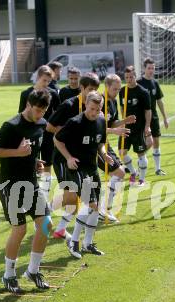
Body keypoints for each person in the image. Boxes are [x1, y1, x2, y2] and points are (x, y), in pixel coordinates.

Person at [0, 89, 53, 293]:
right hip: (10, 184)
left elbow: (31, 150)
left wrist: (35, 162)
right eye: (37, 110)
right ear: (28, 105)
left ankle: (33, 271)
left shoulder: (42, 124)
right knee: (20, 229)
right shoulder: (12, 126)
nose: (40, 115)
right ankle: (8, 275)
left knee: (46, 224)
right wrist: (17, 153)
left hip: (31, 182)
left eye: (43, 111)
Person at [54, 91, 114, 258]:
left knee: (96, 207)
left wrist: (104, 154)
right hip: (78, 168)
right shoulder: (75, 122)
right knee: (91, 205)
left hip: (92, 167)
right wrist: (68, 157)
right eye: (92, 108)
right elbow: (57, 140)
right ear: (86, 105)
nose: (95, 112)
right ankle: (74, 242)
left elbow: (100, 143)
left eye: (98, 108)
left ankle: (88, 243)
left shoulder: (101, 120)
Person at [47, 73, 100, 240]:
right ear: (82, 88)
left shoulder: (93, 106)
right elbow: (49, 127)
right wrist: (68, 132)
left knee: (74, 197)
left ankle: (60, 228)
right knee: (72, 195)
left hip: (80, 158)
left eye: (96, 89)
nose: (93, 92)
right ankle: (44, 211)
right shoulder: (68, 105)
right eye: (90, 89)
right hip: (63, 157)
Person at [18, 65, 60, 196]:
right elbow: (20, 114)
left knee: (47, 164)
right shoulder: (26, 94)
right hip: (31, 135)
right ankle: (32, 194)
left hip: (47, 134)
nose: (46, 84)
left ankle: (45, 196)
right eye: (44, 80)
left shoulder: (52, 93)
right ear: (38, 77)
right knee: (32, 164)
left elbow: (58, 114)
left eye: (49, 81)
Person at [99, 74, 135, 222]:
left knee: (119, 173)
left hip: (104, 142)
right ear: (106, 86)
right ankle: (102, 210)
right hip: (94, 145)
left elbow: (111, 123)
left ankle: (103, 209)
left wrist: (124, 121)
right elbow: (95, 128)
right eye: (114, 89)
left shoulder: (112, 102)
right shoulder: (99, 102)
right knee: (119, 172)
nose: (117, 92)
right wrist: (114, 131)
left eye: (119, 89)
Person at [119, 65, 152, 186]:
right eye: (126, 77)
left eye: (131, 77)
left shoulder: (143, 92)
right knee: (122, 152)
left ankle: (142, 180)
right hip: (126, 128)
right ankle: (133, 172)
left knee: (140, 154)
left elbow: (148, 111)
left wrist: (147, 126)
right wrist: (123, 121)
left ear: (135, 76)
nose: (129, 79)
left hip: (138, 129)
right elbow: (122, 107)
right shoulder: (122, 91)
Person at [137, 58, 169, 175]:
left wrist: (165, 118)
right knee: (147, 142)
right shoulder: (138, 82)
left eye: (153, 68)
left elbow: (160, 101)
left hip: (154, 117)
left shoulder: (155, 83)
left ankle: (157, 169)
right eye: (149, 68)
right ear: (144, 68)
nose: (151, 70)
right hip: (142, 118)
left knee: (156, 141)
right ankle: (141, 161)